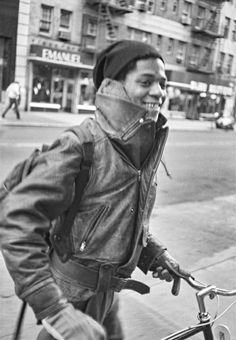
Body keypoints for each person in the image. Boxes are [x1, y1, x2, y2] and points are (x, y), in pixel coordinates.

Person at [0, 40, 191, 340]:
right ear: (112, 87)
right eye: (146, 81)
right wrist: (54, 311)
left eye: (162, 83)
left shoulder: (138, 147)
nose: (159, 92)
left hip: (105, 297)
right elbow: (16, 224)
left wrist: (154, 255)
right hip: (70, 301)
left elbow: (116, 216)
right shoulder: (79, 145)